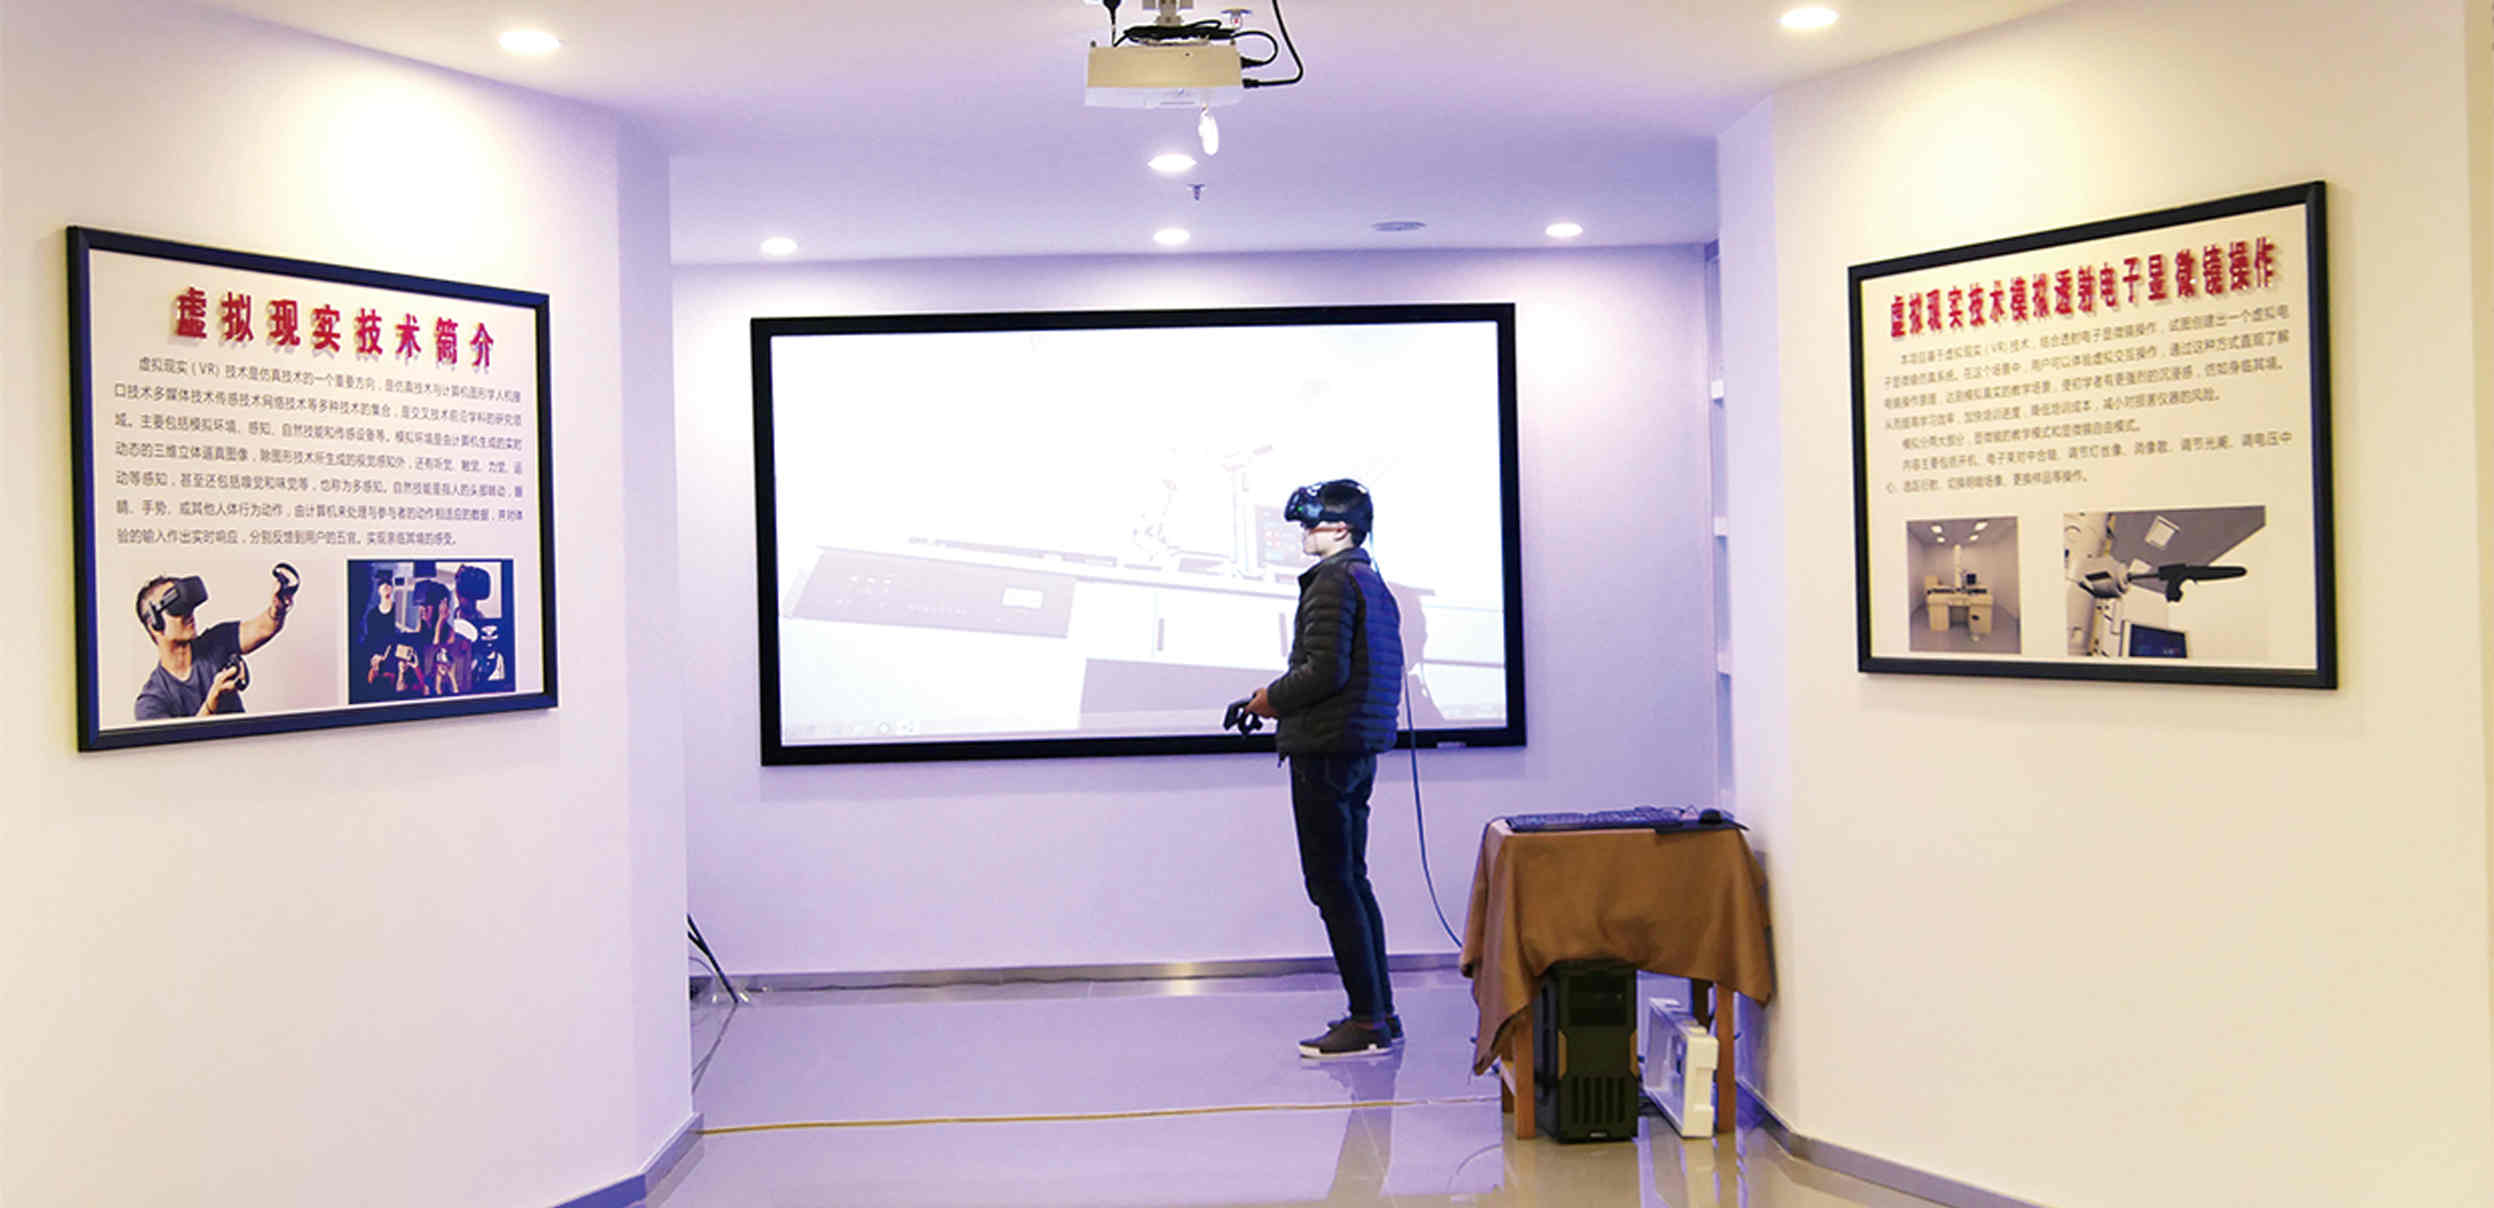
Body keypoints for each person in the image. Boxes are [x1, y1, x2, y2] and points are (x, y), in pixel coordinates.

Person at [1242, 479, 1406, 1059]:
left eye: (1311, 524)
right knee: (1351, 881)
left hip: (1325, 751)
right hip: (1354, 749)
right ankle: (1380, 1013)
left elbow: (1324, 671)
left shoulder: (1333, 581)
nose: (1304, 534)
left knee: (1333, 886)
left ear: (1341, 528)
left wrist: (1270, 699)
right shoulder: (1369, 580)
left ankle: (1366, 1022)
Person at [133, 568, 294, 720]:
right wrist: (212, 704)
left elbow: (264, 628)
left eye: (188, 606)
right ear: (154, 623)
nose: (189, 613)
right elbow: (180, 741)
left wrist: (277, 608)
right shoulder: (151, 702)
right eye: (178, 608)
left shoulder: (215, 642)